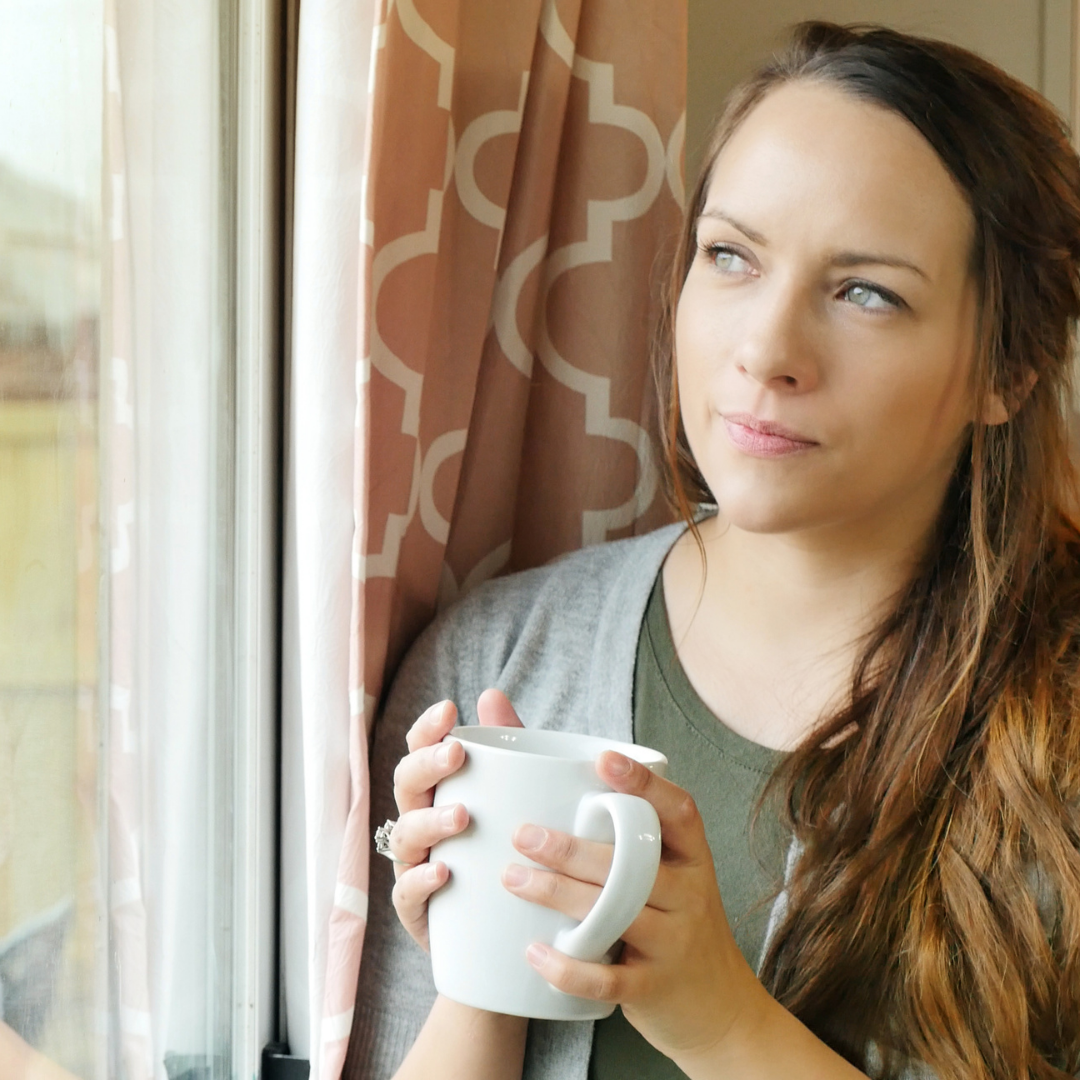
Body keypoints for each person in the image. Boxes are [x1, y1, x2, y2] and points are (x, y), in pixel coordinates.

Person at [345, 21, 1080, 1080]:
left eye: (865, 291)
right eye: (730, 256)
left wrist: (720, 1021)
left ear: (1004, 374)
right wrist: (484, 974)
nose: (765, 351)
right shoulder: (499, 664)